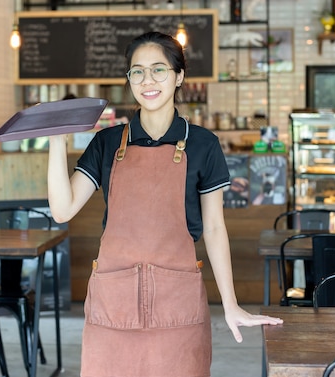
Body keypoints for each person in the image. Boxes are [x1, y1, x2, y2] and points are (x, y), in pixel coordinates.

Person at [47, 31, 282, 376]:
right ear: (129, 80)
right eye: (137, 71)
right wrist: (56, 141)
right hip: (113, 307)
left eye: (158, 69)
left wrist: (230, 304)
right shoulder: (106, 143)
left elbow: (215, 228)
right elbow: (62, 209)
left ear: (179, 76)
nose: (148, 80)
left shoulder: (203, 144)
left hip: (178, 309)